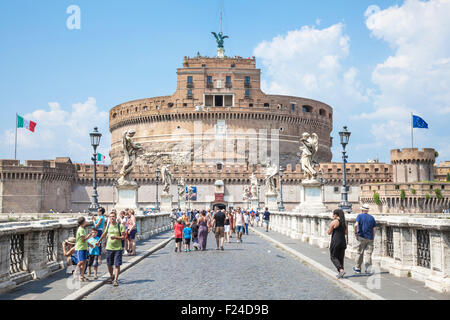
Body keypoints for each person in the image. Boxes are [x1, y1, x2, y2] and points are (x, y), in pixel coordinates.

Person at [97, 211, 125, 287]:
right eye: (110, 216)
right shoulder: (108, 225)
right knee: (109, 264)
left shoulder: (120, 226)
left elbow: (123, 237)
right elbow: (104, 233)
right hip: (109, 248)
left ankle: (115, 279)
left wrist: (116, 237)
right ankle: (111, 276)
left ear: (116, 217)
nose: (111, 218)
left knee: (117, 264)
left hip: (118, 248)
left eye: (113, 216)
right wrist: (98, 241)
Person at [353, 204, 377, 275]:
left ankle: (357, 268)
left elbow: (356, 225)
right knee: (368, 254)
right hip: (370, 238)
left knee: (360, 252)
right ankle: (368, 270)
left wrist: (355, 232)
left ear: (362, 210)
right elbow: (374, 229)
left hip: (361, 237)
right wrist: (373, 236)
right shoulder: (372, 218)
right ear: (367, 210)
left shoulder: (359, 216)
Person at [328, 209, 348, 279]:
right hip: (343, 241)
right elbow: (346, 233)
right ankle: (340, 273)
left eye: (333, 214)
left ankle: (341, 270)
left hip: (335, 241)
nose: (332, 215)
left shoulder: (334, 222)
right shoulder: (344, 223)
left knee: (333, 256)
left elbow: (329, 232)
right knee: (340, 258)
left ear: (336, 215)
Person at [74, 216, 94, 282]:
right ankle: (75, 272)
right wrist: (89, 235)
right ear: (83, 222)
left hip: (84, 247)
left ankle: (81, 276)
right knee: (81, 261)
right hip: (80, 247)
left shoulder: (82, 229)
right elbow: (83, 239)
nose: (86, 222)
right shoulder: (81, 229)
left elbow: (84, 240)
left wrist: (89, 244)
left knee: (85, 261)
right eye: (85, 221)